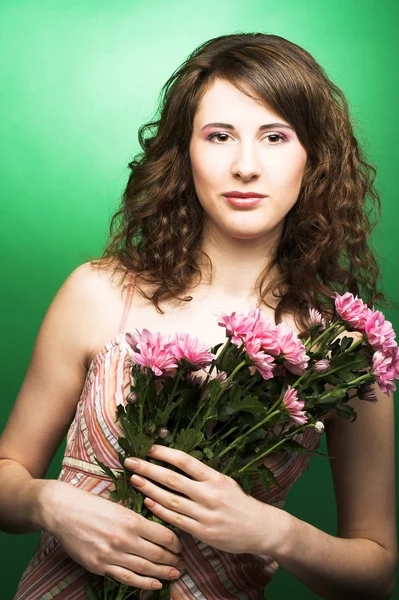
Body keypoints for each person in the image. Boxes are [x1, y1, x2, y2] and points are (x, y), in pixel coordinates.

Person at [0, 32, 397, 600]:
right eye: (219, 136)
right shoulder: (98, 294)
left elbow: (377, 570)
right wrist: (48, 504)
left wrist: (277, 533)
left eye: (275, 137)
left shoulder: (346, 353)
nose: (245, 165)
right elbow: (6, 473)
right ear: (184, 152)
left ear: (314, 159)